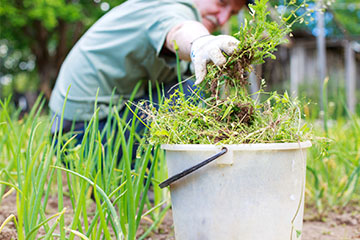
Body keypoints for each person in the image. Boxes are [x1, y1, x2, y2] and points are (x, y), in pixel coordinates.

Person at [49, 0, 252, 153]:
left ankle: (145, 180)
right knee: (189, 93)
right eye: (222, 2)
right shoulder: (171, 6)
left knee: (188, 87)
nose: (222, 18)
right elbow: (179, 30)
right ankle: (139, 184)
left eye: (232, 13)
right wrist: (200, 42)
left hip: (88, 127)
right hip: (79, 136)